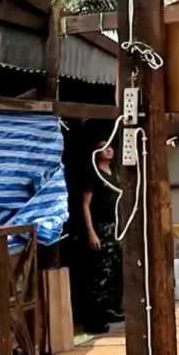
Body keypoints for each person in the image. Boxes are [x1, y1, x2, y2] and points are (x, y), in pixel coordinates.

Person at [82, 141, 123, 334]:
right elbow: (85, 205)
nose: (109, 149)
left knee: (115, 271)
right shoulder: (93, 175)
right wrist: (91, 232)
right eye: (103, 146)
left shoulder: (116, 173)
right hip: (101, 227)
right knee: (101, 273)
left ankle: (109, 309)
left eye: (110, 146)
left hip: (117, 227)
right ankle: (94, 319)